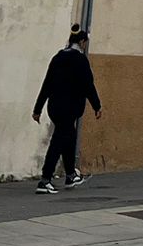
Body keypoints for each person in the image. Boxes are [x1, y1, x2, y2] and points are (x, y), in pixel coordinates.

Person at [33, 24, 102, 193]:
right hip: (69, 107)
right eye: (85, 43)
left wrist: (38, 108)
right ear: (82, 42)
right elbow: (88, 85)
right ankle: (45, 179)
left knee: (68, 138)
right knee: (58, 141)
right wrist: (97, 105)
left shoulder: (57, 58)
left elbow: (46, 84)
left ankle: (71, 175)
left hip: (54, 107)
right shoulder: (80, 60)